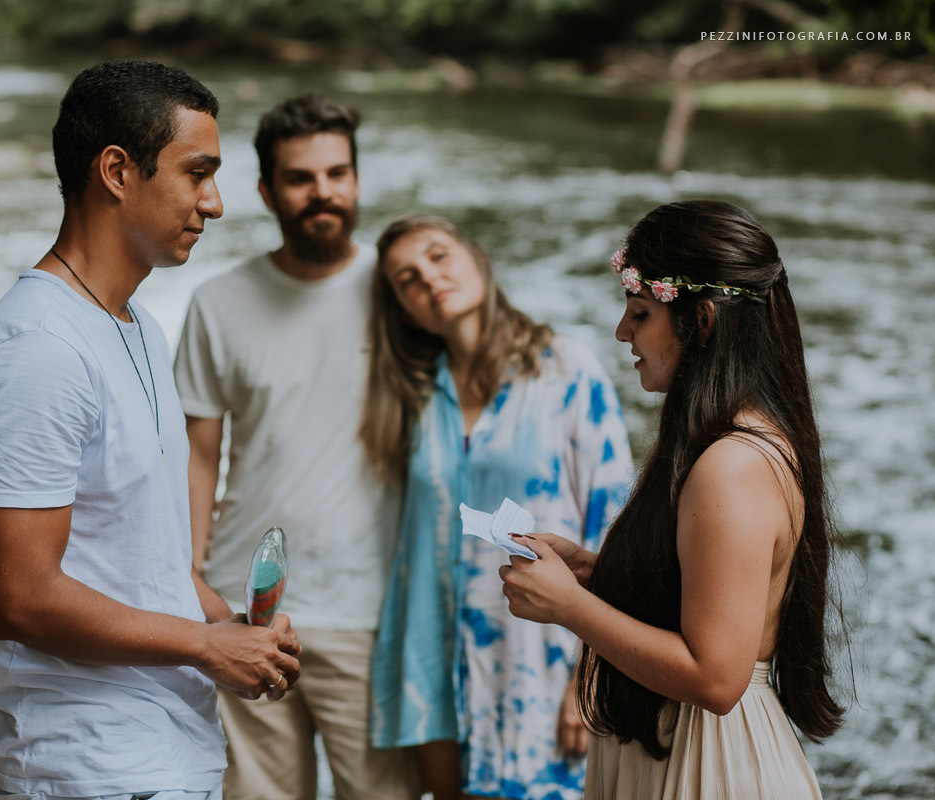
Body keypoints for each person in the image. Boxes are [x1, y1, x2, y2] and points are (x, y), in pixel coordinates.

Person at [0, 60, 301, 800]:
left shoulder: (131, 324)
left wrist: (233, 628)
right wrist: (206, 645)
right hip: (86, 764)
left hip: (161, 749)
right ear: (116, 171)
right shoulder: (38, 349)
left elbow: (138, 547)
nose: (216, 203)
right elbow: (18, 594)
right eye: (197, 173)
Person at [500, 200, 845, 799]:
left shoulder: (733, 465)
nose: (622, 333)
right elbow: (705, 597)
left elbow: (716, 677)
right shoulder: (719, 440)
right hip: (677, 748)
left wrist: (569, 608)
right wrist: (596, 576)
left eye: (639, 313)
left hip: (712, 765)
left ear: (702, 321)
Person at [173, 93, 420, 800]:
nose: (324, 193)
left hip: (371, 609)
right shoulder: (217, 303)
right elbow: (197, 454)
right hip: (247, 608)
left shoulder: (404, 291)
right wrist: (192, 576)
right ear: (265, 191)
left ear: (358, 180)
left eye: (338, 173)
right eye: (301, 178)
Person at [362, 215, 634, 800]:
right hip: (433, 664)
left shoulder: (567, 369)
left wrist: (589, 679)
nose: (428, 278)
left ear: (478, 258)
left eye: (439, 256)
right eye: (407, 278)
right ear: (403, 309)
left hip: (541, 660)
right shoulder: (411, 393)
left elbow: (613, 531)